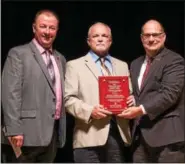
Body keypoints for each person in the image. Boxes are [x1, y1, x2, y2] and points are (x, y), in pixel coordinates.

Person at [64, 22, 135, 163]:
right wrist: (90, 111)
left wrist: (132, 100)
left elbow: (129, 94)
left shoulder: (122, 65)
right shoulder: (74, 65)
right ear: (89, 41)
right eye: (96, 36)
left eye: (104, 36)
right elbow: (68, 99)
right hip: (88, 136)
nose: (100, 39)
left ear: (110, 40)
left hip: (117, 135)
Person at [1, 9, 66, 163]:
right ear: (34, 28)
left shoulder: (60, 58)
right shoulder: (18, 54)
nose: (47, 32)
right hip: (24, 135)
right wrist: (14, 129)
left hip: (52, 135)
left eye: (52, 28)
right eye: (43, 26)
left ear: (57, 30)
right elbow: (10, 94)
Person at [121, 19, 184, 162]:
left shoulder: (174, 60)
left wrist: (140, 109)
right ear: (141, 38)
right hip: (140, 138)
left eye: (156, 35)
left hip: (168, 138)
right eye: (147, 35)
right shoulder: (135, 64)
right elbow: (143, 94)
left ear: (164, 37)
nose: (151, 39)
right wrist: (134, 100)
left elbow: (169, 94)